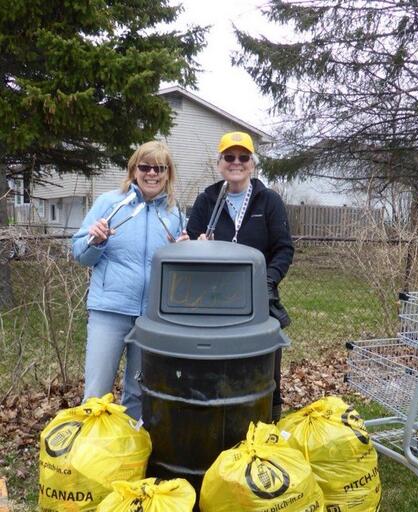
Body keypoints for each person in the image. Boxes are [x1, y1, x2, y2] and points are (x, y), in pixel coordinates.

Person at [72, 140, 188, 420]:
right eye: (145, 166)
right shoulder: (110, 203)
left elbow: (178, 276)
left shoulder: (174, 214)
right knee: (96, 393)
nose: (151, 173)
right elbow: (79, 254)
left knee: (138, 393)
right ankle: (92, 460)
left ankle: (130, 457)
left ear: (167, 173)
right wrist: (95, 241)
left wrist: (184, 253)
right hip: (109, 311)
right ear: (134, 169)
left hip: (150, 319)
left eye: (159, 168)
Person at [186, 131, 294, 422]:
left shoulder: (268, 200)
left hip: (258, 301)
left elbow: (284, 249)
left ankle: (268, 423)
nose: (236, 163)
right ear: (220, 163)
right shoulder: (207, 200)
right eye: (229, 157)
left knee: (264, 369)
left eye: (243, 157)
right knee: (217, 367)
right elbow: (188, 249)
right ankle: (218, 424)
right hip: (212, 304)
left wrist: (266, 283)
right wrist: (198, 246)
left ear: (252, 163)